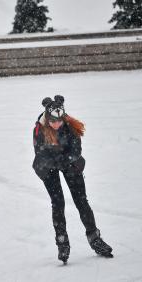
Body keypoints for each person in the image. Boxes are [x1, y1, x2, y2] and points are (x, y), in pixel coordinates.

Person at [32, 95, 113, 264]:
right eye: (53, 122)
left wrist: (66, 160)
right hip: (48, 167)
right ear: (47, 119)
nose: (56, 125)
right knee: (58, 202)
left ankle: (94, 237)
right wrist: (56, 161)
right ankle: (62, 242)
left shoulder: (70, 125)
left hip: (69, 163)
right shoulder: (39, 129)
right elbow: (40, 154)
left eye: (59, 121)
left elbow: (76, 150)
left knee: (81, 201)